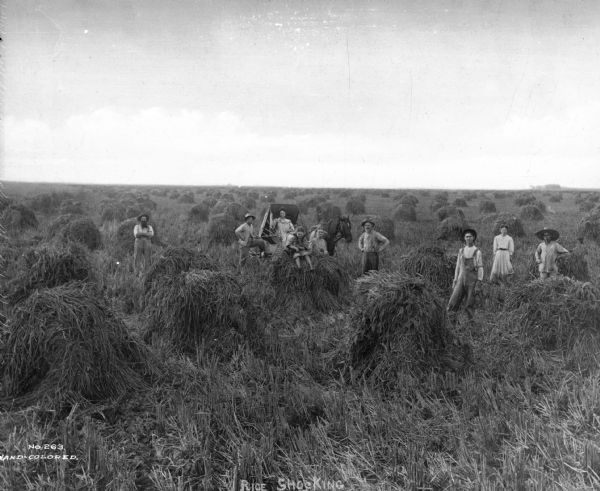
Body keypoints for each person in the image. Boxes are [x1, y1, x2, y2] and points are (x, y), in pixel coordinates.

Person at [448, 229, 484, 320]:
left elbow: (480, 268)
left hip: (472, 281)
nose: (468, 238)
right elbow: (458, 266)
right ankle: (451, 322)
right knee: (453, 301)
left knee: (469, 304)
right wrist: (455, 279)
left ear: (474, 238)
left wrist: (479, 282)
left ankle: (471, 325)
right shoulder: (461, 251)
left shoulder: (477, 252)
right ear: (464, 238)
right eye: (466, 236)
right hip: (460, 279)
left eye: (470, 236)